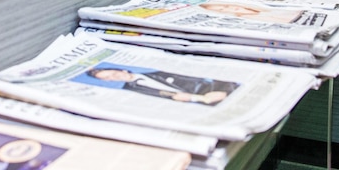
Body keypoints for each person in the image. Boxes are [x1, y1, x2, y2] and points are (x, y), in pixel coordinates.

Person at [85, 67, 238, 105]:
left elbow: (211, 77)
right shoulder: (131, 91)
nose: (114, 77)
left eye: (111, 73)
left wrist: (223, 91)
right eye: (108, 78)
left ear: (121, 69)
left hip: (216, 93)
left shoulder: (159, 72)